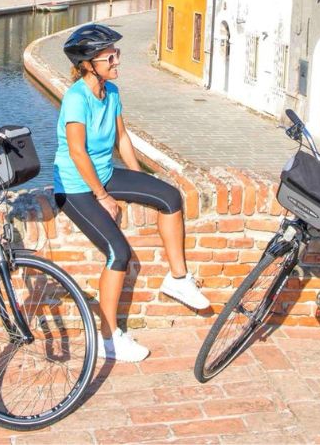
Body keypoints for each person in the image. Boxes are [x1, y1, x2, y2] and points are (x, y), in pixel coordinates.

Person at [53, 23, 210, 362]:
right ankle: (108, 338)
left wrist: (141, 183)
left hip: (105, 174)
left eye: (116, 54)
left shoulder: (110, 93)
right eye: (111, 56)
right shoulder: (75, 98)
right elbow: (78, 153)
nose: (117, 61)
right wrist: (103, 197)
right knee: (118, 253)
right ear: (89, 63)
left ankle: (178, 279)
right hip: (75, 187)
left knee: (169, 197)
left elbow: (122, 139)